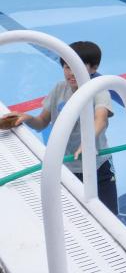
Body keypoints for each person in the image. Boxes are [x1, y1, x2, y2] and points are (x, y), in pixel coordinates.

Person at [1, 41, 118, 213]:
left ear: (93, 68)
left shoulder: (99, 91)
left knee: (110, 216)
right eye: (67, 67)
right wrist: (26, 118)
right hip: (66, 167)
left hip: (98, 168)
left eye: (77, 68)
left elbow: (101, 119)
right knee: (76, 214)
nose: (71, 73)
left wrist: (87, 141)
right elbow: (42, 122)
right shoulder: (59, 89)